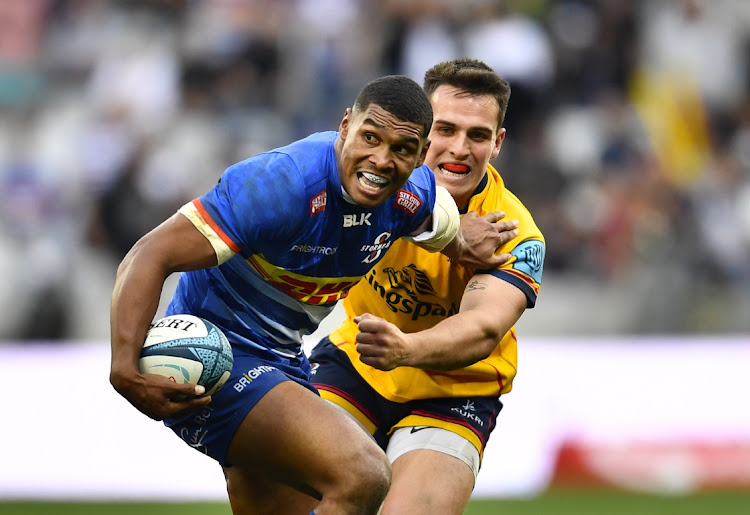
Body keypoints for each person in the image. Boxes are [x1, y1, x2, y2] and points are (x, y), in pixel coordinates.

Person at [109, 74, 517, 515]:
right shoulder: (283, 184)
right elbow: (148, 254)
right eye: (369, 137)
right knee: (362, 475)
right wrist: (124, 369)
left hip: (283, 360)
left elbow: (442, 229)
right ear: (345, 126)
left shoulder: (412, 197)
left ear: (420, 157)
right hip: (218, 359)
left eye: (400, 149)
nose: (380, 160)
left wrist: (462, 243)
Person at [309, 59, 546, 514]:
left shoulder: (515, 231)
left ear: (497, 144)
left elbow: (481, 329)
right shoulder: (369, 179)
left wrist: (405, 350)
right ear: (421, 130)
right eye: (445, 129)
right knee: (283, 488)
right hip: (358, 364)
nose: (459, 148)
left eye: (477, 135)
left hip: (454, 391)